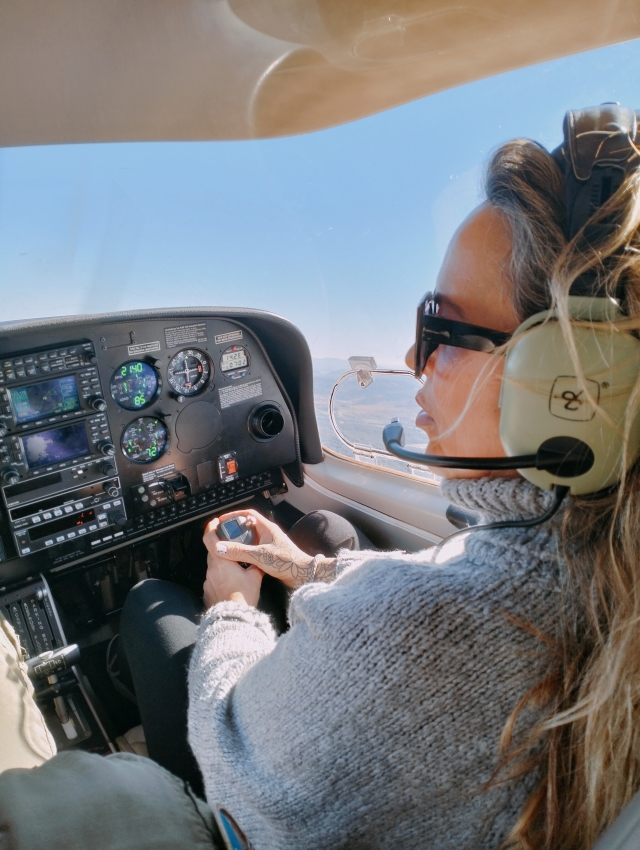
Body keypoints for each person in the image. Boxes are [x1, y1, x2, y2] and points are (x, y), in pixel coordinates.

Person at [120, 135, 640, 850]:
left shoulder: (422, 637)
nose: (411, 357)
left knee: (151, 605)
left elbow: (229, 750)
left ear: (569, 387)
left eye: (441, 328)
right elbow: (451, 577)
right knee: (329, 533)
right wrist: (307, 569)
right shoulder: (594, 555)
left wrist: (231, 609)